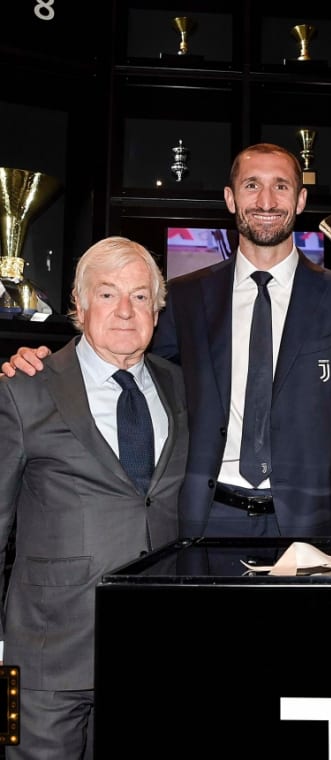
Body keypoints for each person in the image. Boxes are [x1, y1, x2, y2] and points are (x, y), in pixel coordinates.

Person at [2, 143, 331, 540]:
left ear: (300, 200)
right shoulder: (184, 299)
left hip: (312, 525)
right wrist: (49, 367)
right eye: (251, 185)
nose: (266, 201)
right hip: (203, 521)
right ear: (230, 198)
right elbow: (125, 361)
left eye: (281, 186)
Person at [0, 236, 188, 759]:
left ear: (157, 310)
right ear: (79, 308)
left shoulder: (182, 387)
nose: (125, 311)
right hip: (43, 659)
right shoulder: (23, 387)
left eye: (140, 296)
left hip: (152, 659)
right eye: (107, 294)